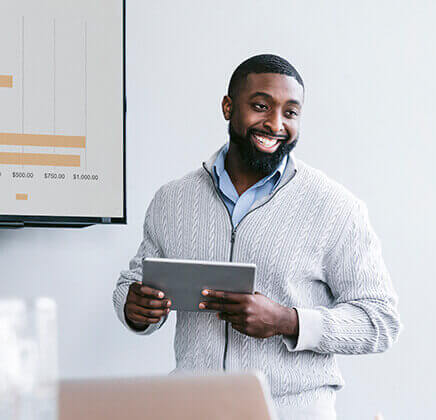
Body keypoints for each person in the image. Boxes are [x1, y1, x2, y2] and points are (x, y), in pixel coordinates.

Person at [112, 54, 402, 420]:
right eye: (261, 106)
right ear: (228, 107)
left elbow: (380, 320)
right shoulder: (172, 199)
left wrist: (287, 321)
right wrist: (135, 308)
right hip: (193, 408)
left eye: (291, 112)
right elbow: (132, 283)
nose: (276, 124)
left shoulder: (336, 208)